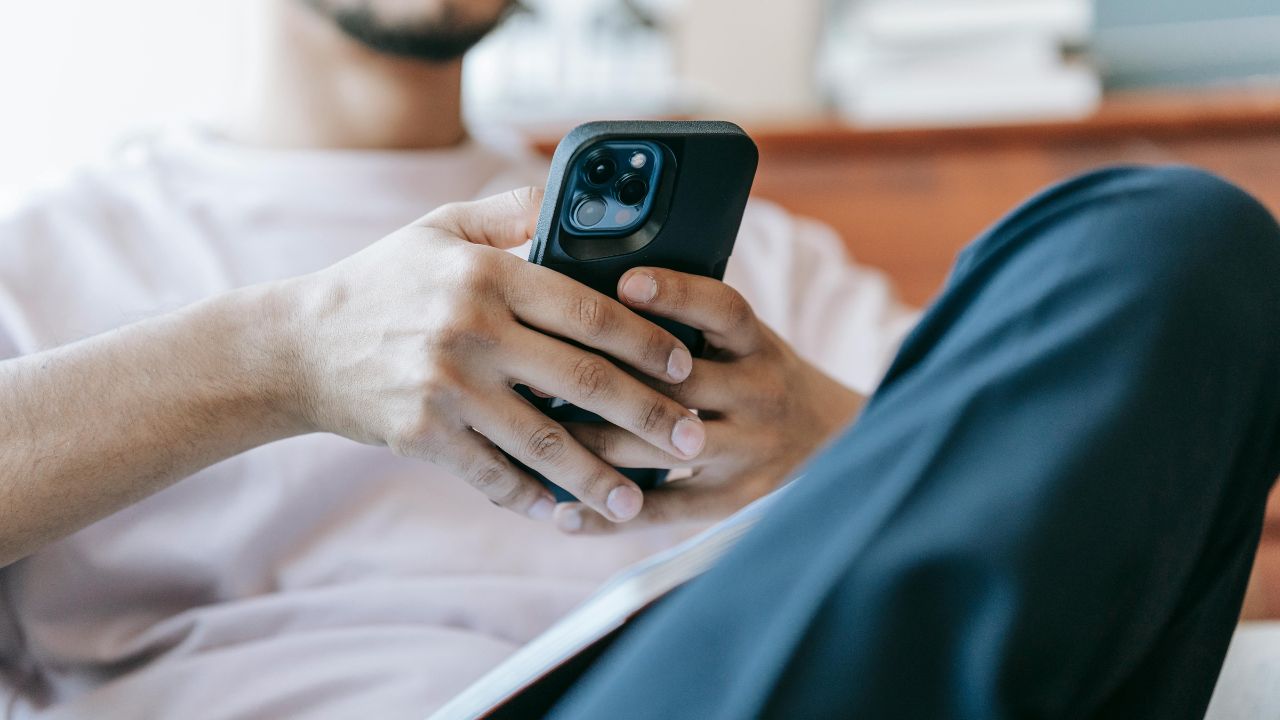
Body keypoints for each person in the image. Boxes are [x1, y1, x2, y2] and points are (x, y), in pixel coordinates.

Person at [0, 2, 1275, 719]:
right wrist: (287, 356)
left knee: (1168, 240)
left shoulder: (739, 252)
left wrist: (824, 437)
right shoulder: (52, 260)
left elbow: (1055, 498)